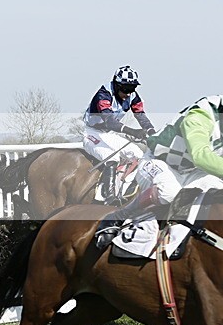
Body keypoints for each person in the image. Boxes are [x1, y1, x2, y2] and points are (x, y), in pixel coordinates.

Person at [96, 94, 223, 247]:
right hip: (158, 161)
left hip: (191, 171)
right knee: (169, 192)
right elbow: (200, 156)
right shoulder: (200, 115)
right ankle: (120, 215)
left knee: (217, 189)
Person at [83, 65, 156, 202]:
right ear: (116, 85)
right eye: (126, 89)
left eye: (132, 89)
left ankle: (124, 187)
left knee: (138, 155)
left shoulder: (133, 96)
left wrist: (153, 133)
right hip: (91, 133)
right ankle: (108, 196)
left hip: (109, 134)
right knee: (113, 158)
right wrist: (133, 131)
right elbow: (110, 121)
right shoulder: (103, 94)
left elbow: (141, 116)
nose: (129, 93)